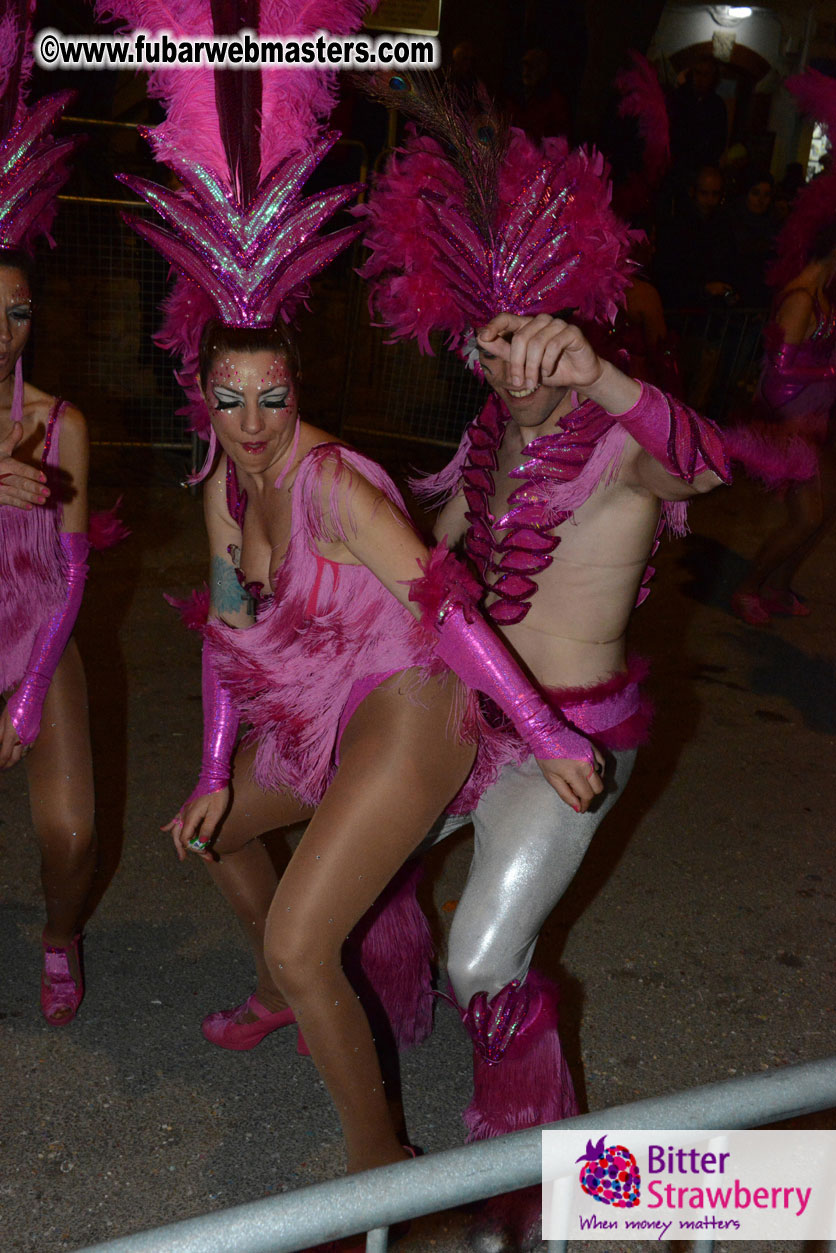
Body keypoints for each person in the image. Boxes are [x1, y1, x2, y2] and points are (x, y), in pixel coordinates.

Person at [118, 5, 604, 1191]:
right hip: (321, 710)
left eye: (270, 397)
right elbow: (226, 645)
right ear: (202, 397)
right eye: (229, 402)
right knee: (212, 838)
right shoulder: (220, 499)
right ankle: (307, 988)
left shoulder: (331, 481)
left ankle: (380, 1151)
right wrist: (212, 768)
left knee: (298, 932)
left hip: (410, 704)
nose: (252, 425)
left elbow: (444, 609)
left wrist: (542, 733)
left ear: (297, 386)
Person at [359, 84, 729, 1184]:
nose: (512, 371)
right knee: (364, 876)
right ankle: (395, 1016)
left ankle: (528, 1163)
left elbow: (705, 468)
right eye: (491, 348)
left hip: (569, 747)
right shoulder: (485, 437)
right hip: (465, 717)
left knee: (485, 955)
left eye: (532, 347)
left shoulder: (621, 443)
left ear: (565, 333)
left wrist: (603, 377)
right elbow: (435, 554)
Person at [0, 246, 96, 1026]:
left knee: (71, 831)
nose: (3, 331)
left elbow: (73, 571)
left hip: (37, 631)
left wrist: (31, 691)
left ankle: (60, 936)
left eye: (18, 311)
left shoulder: (60, 425)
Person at [727, 69, 836, 625]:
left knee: (820, 518)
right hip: (789, 427)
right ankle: (748, 588)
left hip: (812, 423)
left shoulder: (826, 295)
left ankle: (781, 585)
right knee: (805, 518)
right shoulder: (800, 300)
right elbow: (779, 374)